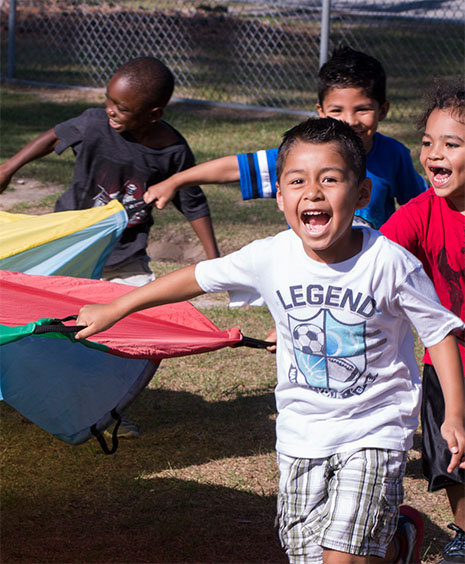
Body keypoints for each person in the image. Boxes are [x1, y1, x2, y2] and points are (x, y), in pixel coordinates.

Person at [75, 117, 465, 564]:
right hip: (301, 434)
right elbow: (194, 278)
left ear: (361, 195)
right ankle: (400, 543)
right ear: (280, 197)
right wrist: (117, 307)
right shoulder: (271, 256)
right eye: (297, 181)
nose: (313, 192)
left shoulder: (390, 263)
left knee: (341, 558)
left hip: (373, 428)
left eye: (330, 179)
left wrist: (453, 413)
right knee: (312, 558)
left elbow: (438, 333)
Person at [0, 56, 220, 437]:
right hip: (76, 247)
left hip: (127, 255)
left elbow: (192, 201)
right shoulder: (94, 124)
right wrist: (8, 168)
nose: (110, 111)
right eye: (108, 101)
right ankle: (50, 393)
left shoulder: (171, 151)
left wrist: (216, 263)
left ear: (153, 113)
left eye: (121, 108)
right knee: (54, 325)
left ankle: (107, 412)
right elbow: (53, 135)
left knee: (138, 327)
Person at [143, 47, 427, 230]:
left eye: (363, 109)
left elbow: (424, 206)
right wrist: (175, 181)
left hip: (370, 276)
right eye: (337, 110)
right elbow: (236, 168)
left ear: (383, 110)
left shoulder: (395, 155)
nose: (350, 121)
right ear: (320, 112)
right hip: (310, 271)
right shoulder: (302, 155)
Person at [381, 81, 465, 564]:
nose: (434, 153)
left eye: (451, 144)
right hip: (447, 360)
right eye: (428, 142)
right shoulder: (419, 214)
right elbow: (372, 260)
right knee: (453, 456)